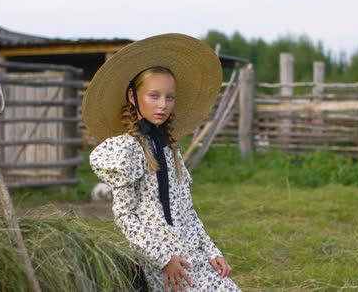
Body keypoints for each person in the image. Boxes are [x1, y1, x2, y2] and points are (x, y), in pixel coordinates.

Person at [83, 33, 241, 292]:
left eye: (169, 97)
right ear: (133, 98)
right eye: (154, 96)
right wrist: (164, 258)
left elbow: (187, 211)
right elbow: (126, 216)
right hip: (162, 258)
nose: (163, 105)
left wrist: (211, 251)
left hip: (191, 249)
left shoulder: (170, 150)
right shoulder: (128, 150)